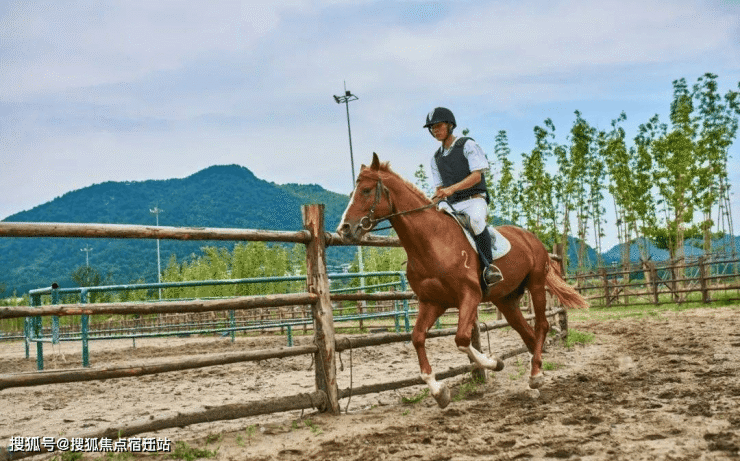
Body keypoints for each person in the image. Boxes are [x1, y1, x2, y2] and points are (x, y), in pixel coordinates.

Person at [424, 107, 503, 292]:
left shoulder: (467, 145)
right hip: (451, 203)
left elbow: (476, 176)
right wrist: (428, 203)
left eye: (438, 126)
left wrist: (450, 189)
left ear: (450, 125)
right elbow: (439, 189)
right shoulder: (435, 158)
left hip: (474, 199)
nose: (435, 130)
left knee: (475, 221)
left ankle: (488, 268)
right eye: (432, 128)